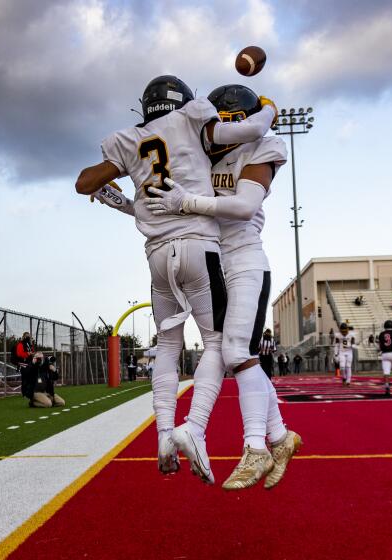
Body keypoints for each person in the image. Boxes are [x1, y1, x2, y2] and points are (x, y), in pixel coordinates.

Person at [77, 75, 277, 483]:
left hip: (155, 257)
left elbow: (86, 183)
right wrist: (270, 107)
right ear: (184, 102)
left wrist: (112, 191)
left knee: (167, 345)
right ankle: (196, 429)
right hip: (199, 248)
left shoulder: (129, 139)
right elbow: (250, 128)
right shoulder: (192, 118)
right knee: (220, 345)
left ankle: (164, 436)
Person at [334, 322, 356, 386]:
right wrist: (336, 354)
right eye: (342, 331)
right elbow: (337, 345)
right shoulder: (338, 335)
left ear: (347, 329)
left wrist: (352, 345)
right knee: (342, 367)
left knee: (348, 366)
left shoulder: (351, 335)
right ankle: (344, 378)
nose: (344, 333)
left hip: (349, 352)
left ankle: (348, 381)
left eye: (345, 331)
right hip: (342, 352)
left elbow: (353, 344)